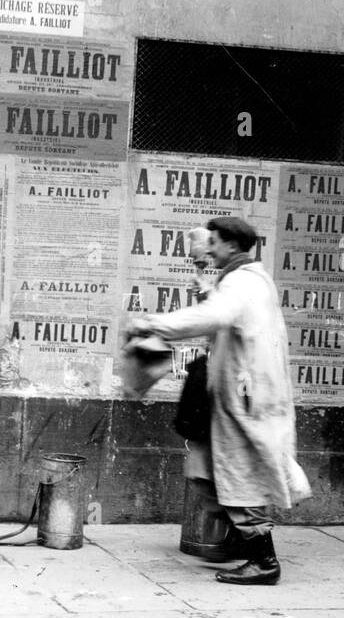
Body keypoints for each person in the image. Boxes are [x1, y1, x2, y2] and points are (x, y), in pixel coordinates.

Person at [126, 217, 311, 584]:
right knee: (210, 470)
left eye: (213, 242)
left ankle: (264, 562)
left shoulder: (242, 283)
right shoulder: (250, 279)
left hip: (243, 396)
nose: (207, 248)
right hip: (243, 392)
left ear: (230, 246)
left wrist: (153, 324)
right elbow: (228, 314)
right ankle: (245, 543)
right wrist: (207, 292)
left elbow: (216, 316)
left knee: (238, 473)